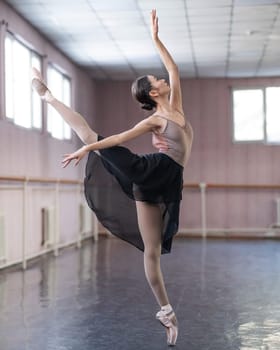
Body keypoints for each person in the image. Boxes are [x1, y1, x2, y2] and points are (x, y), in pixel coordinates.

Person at [32, 9, 193, 347]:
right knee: (91, 136)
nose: (162, 80)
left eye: (159, 78)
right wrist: (85, 151)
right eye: (157, 80)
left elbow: (174, 69)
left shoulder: (175, 105)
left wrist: (155, 38)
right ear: (152, 93)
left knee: (152, 251)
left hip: (168, 179)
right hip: (147, 173)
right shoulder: (155, 121)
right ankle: (49, 98)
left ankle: (166, 313)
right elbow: (119, 139)